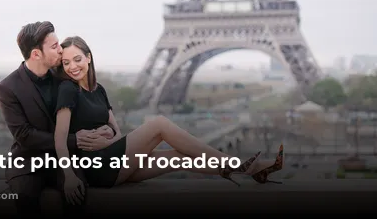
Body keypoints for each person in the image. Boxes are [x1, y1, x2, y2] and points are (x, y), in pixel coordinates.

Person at [52, 36, 284, 205]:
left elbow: (117, 133)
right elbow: (60, 140)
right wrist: (70, 177)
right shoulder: (67, 90)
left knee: (177, 158)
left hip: (111, 158)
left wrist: (106, 140)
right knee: (160, 124)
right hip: (96, 168)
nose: (73, 66)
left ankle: (248, 171)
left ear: (89, 57)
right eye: (66, 63)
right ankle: (238, 163)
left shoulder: (98, 90)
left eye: (77, 59)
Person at [0, 22, 116, 215]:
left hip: (65, 159)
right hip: (29, 161)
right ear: (36, 54)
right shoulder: (7, 88)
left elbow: (91, 103)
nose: (61, 51)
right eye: (54, 47)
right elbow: (24, 135)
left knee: (78, 193)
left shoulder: (64, 75)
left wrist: (107, 128)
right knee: (25, 197)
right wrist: (74, 140)